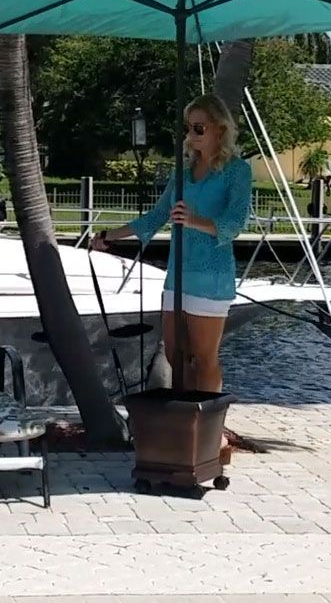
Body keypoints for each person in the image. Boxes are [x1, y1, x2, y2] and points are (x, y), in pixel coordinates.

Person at [91, 94, 251, 392]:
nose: (191, 135)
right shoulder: (182, 172)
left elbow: (235, 224)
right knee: (176, 357)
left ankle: (208, 430)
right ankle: (185, 419)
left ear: (219, 129)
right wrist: (108, 236)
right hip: (178, 274)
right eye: (188, 128)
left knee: (204, 359)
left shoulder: (237, 171)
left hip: (211, 277)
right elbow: (155, 217)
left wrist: (195, 221)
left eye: (198, 128)